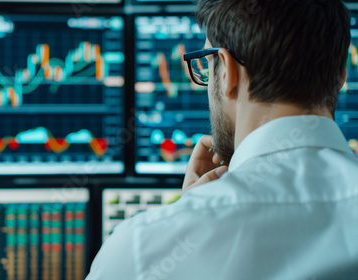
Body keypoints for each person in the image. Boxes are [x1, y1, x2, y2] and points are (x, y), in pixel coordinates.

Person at [86, 0, 358, 279]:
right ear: (340, 78)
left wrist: (185, 218)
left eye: (206, 66)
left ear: (227, 72)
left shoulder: (141, 251)